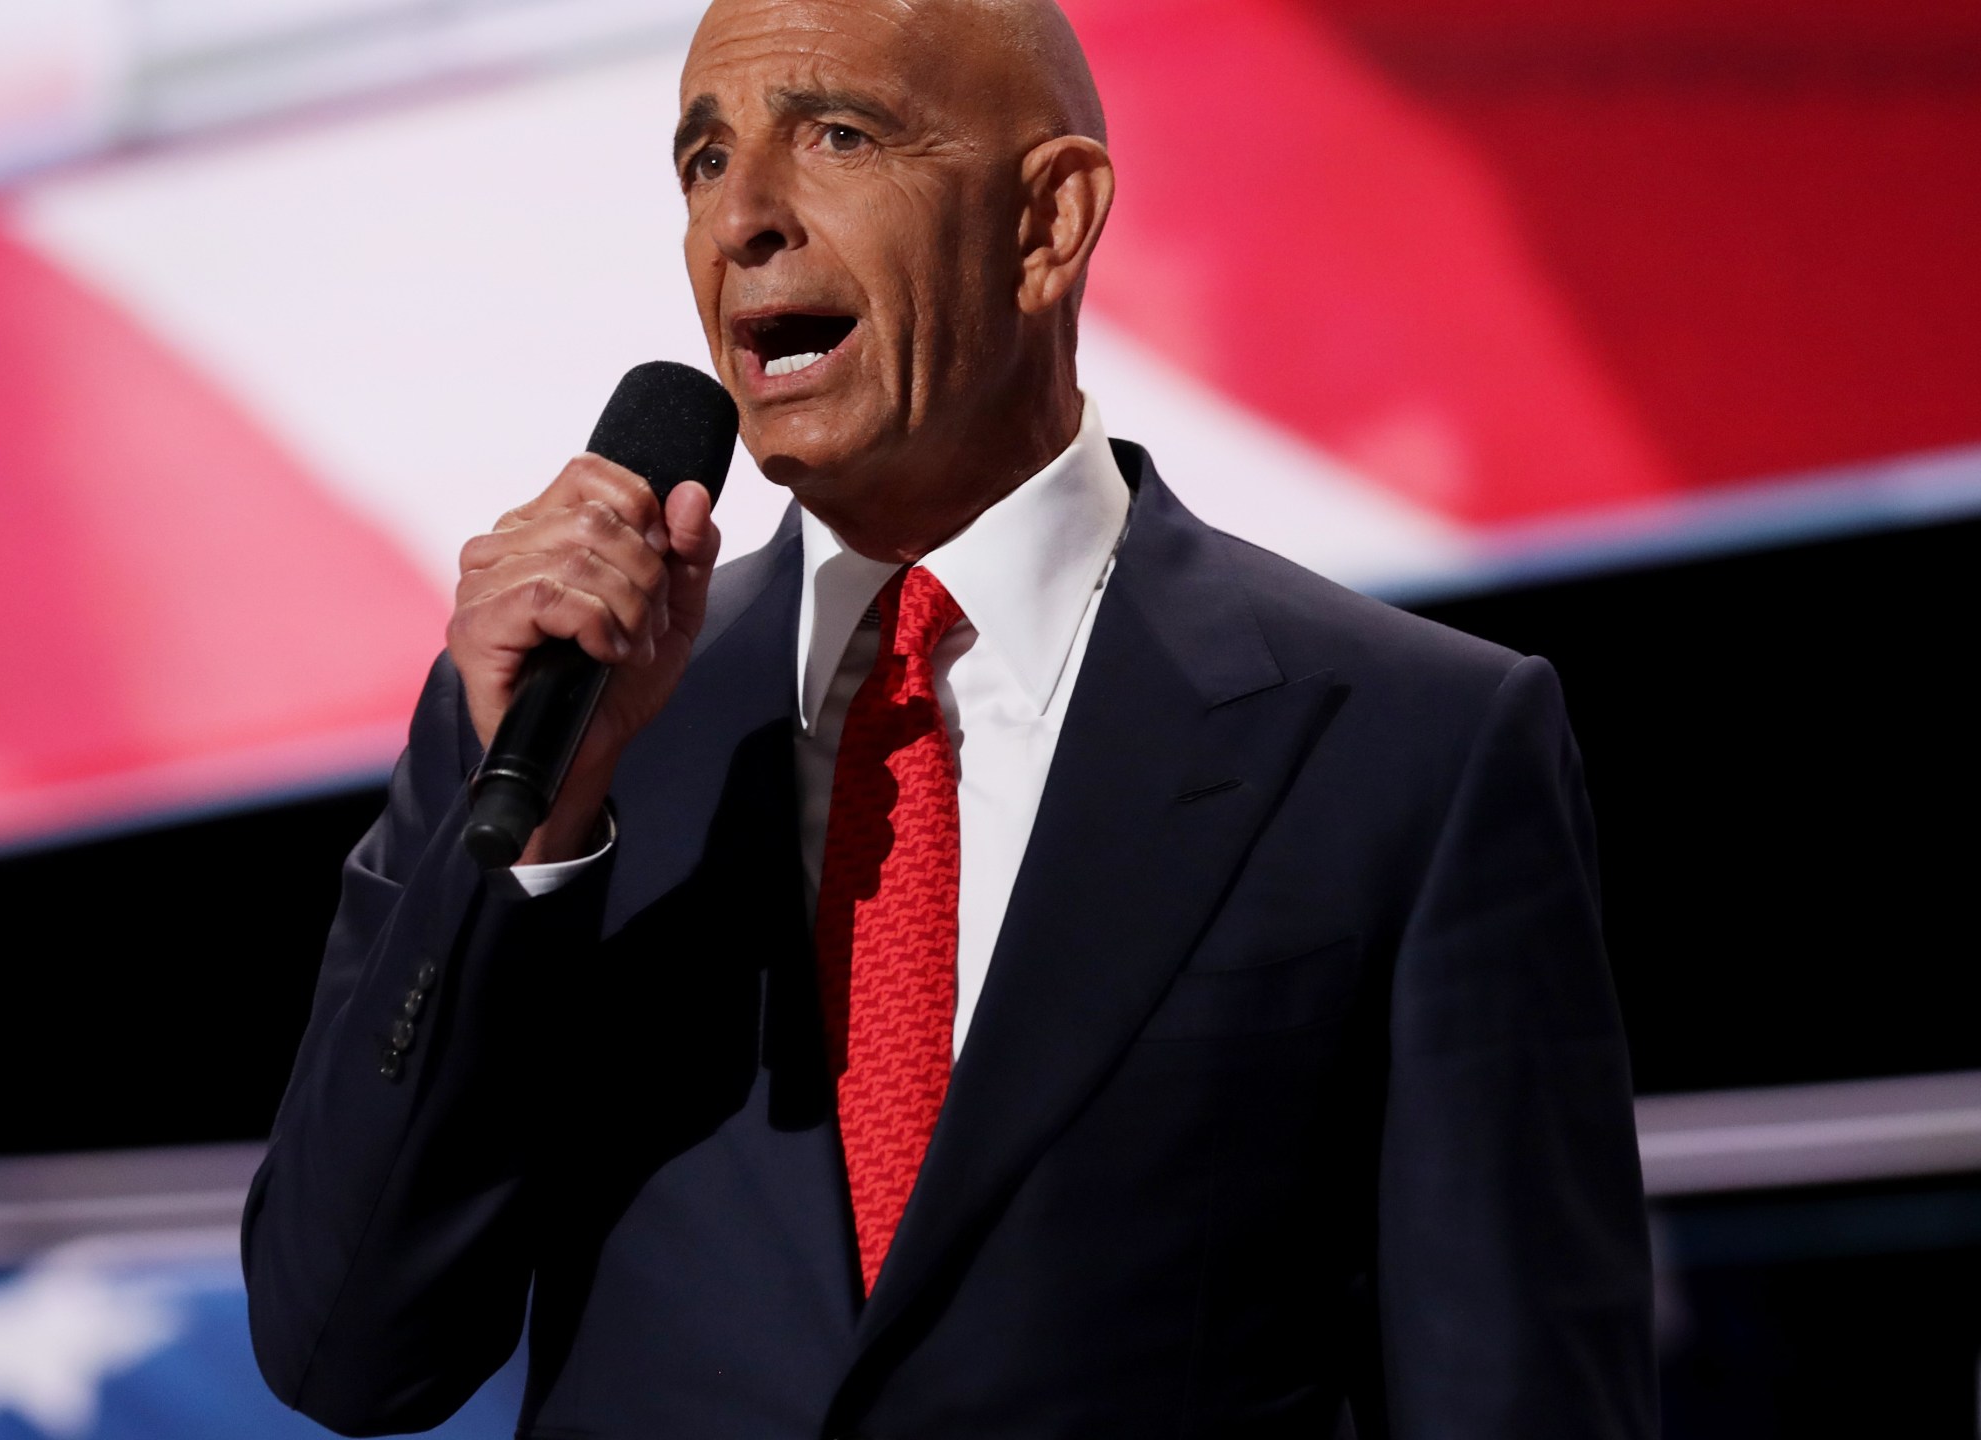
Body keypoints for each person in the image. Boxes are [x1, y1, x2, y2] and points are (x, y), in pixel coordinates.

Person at [242, 0, 1655, 1434]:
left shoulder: (1410, 744)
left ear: (1049, 222)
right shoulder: (558, 713)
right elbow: (345, 1347)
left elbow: (1517, 1393)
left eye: (838, 136)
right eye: (704, 160)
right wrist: (541, 838)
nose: (744, 219)